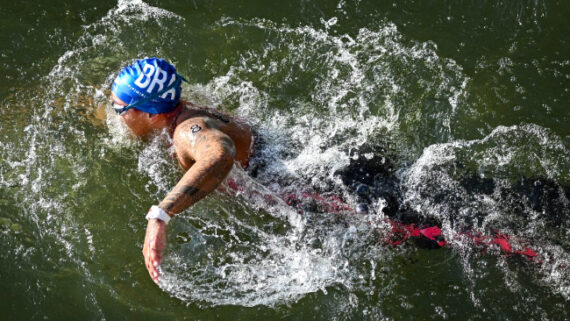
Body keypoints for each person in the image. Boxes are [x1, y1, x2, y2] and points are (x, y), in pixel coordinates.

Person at [110, 57, 253, 283]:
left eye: (119, 109)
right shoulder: (177, 108)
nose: (115, 118)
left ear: (152, 115)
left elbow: (220, 156)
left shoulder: (186, 131)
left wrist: (160, 215)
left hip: (297, 192)